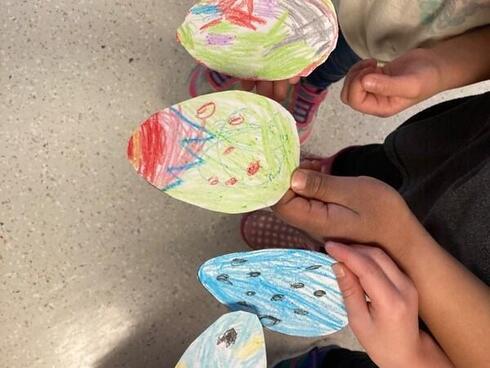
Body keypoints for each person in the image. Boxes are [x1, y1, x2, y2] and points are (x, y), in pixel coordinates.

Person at [242, 92, 490, 367]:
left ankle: (323, 263)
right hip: (453, 154)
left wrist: (412, 359)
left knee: (359, 305)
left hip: (438, 331)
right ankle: (326, 237)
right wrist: (440, 69)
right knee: (364, 174)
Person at [188, 2, 490, 143]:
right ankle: (234, 63)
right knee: (264, 35)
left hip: (390, 37)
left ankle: (312, 87)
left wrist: (440, 69)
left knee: (333, 63)